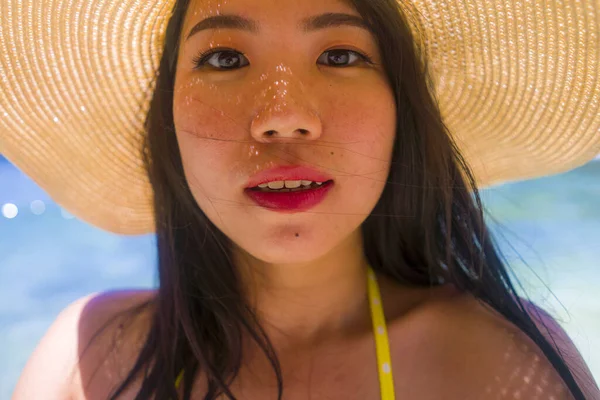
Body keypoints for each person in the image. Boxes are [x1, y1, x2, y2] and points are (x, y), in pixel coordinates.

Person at [3, 0, 600, 398]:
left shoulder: (496, 362)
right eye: (224, 58)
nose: (284, 118)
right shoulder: (84, 364)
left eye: (340, 56)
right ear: (166, 121)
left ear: (402, 108)